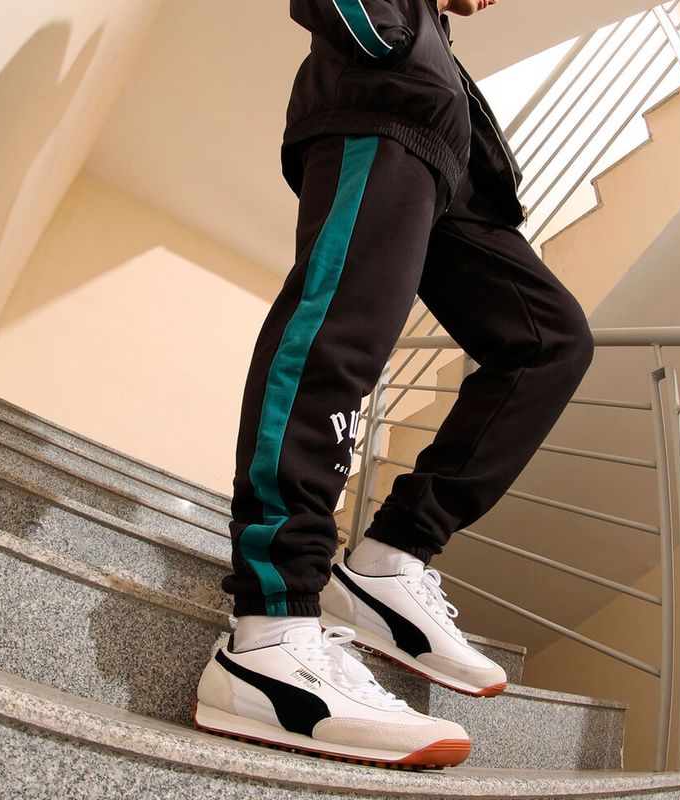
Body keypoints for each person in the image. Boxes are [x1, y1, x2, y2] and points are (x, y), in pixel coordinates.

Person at [193, 0, 594, 769]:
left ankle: (391, 559)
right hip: (386, 102)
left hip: (449, 152)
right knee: (339, 336)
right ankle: (270, 633)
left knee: (549, 341)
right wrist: (391, 37)